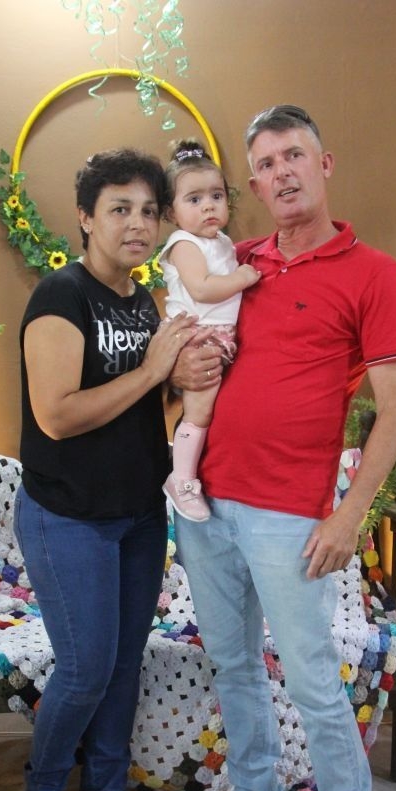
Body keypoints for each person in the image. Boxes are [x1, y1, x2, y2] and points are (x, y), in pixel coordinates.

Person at [171, 105, 396, 791]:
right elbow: (185, 341)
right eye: (267, 164)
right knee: (233, 661)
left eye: (294, 156)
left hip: (289, 513)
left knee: (310, 675)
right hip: (207, 503)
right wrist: (179, 374)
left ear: (324, 163)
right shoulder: (235, 263)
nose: (282, 173)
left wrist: (350, 515)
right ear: (253, 185)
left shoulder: (374, 273)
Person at [14, 148, 196, 791]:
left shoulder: (142, 302)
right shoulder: (60, 296)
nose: (138, 224)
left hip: (139, 515)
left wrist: (182, 379)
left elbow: (146, 406)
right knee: (87, 667)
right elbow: (57, 415)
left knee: (123, 664)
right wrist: (153, 370)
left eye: (149, 211)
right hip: (68, 516)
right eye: (120, 209)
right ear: (86, 218)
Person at [159, 139, 260, 522]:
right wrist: (242, 278)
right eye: (195, 199)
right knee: (199, 412)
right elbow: (201, 288)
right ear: (171, 211)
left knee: (215, 411)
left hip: (218, 336)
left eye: (216, 196)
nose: (208, 206)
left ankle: (196, 472)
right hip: (197, 336)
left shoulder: (222, 242)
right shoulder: (183, 243)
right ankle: (181, 479)